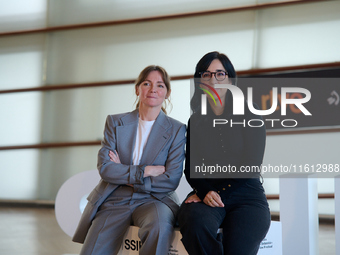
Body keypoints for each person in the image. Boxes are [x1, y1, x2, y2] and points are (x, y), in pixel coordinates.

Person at [72, 65, 186, 255]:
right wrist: (146, 171)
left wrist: (124, 172)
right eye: (147, 83)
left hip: (155, 199)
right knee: (93, 251)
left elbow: (171, 179)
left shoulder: (177, 130)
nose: (153, 90)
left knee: (159, 227)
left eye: (160, 85)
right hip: (116, 198)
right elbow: (106, 169)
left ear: (167, 93)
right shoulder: (115, 122)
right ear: (137, 88)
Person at [177, 51, 271, 255]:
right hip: (209, 193)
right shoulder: (196, 120)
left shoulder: (250, 111)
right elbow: (191, 168)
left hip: (246, 194)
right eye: (206, 74)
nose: (213, 79)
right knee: (193, 220)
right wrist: (203, 192)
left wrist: (214, 193)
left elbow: (251, 165)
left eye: (220, 73)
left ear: (230, 78)